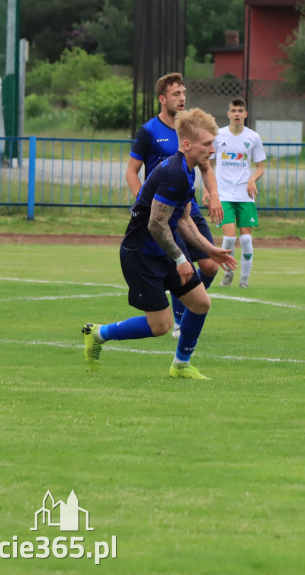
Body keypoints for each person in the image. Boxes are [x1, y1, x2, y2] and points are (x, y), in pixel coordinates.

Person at [82, 109, 237, 379]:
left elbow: (184, 219)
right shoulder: (174, 173)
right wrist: (180, 260)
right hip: (141, 254)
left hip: (163, 247)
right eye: (207, 144)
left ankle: (181, 365)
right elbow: (156, 223)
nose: (212, 149)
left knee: (200, 303)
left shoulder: (187, 171)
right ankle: (98, 334)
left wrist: (211, 250)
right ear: (187, 144)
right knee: (161, 325)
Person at [126, 73, 223, 338]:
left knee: (211, 266)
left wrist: (214, 194)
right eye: (175, 94)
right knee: (181, 272)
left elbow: (206, 168)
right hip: (161, 215)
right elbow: (132, 172)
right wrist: (144, 203)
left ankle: (184, 315)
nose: (181, 98)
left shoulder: (193, 132)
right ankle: (180, 316)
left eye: (183, 93)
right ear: (162, 99)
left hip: (185, 209)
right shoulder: (150, 132)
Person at [211, 96, 266, 288]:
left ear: (245, 114)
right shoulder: (218, 135)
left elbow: (261, 167)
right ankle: (228, 274)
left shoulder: (253, 137)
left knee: (246, 240)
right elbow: (208, 165)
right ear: (228, 114)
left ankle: (244, 280)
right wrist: (209, 191)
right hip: (224, 195)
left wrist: (252, 179)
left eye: (240, 111)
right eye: (233, 111)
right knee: (228, 238)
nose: (236, 114)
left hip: (245, 196)